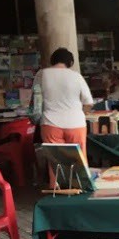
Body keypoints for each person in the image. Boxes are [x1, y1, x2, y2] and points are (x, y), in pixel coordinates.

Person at [34, 48, 93, 187]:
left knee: (55, 160)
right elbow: (88, 102)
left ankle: (57, 189)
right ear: (70, 62)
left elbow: (36, 100)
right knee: (79, 159)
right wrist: (81, 113)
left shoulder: (41, 74)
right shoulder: (76, 76)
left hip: (50, 123)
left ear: (52, 60)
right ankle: (80, 187)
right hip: (76, 124)